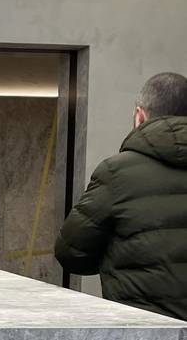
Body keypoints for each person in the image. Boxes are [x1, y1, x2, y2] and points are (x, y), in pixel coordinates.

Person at [55, 72, 187, 320]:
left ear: (139, 116)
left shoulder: (116, 173)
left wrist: (121, 257)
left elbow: (71, 253)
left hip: (143, 328)